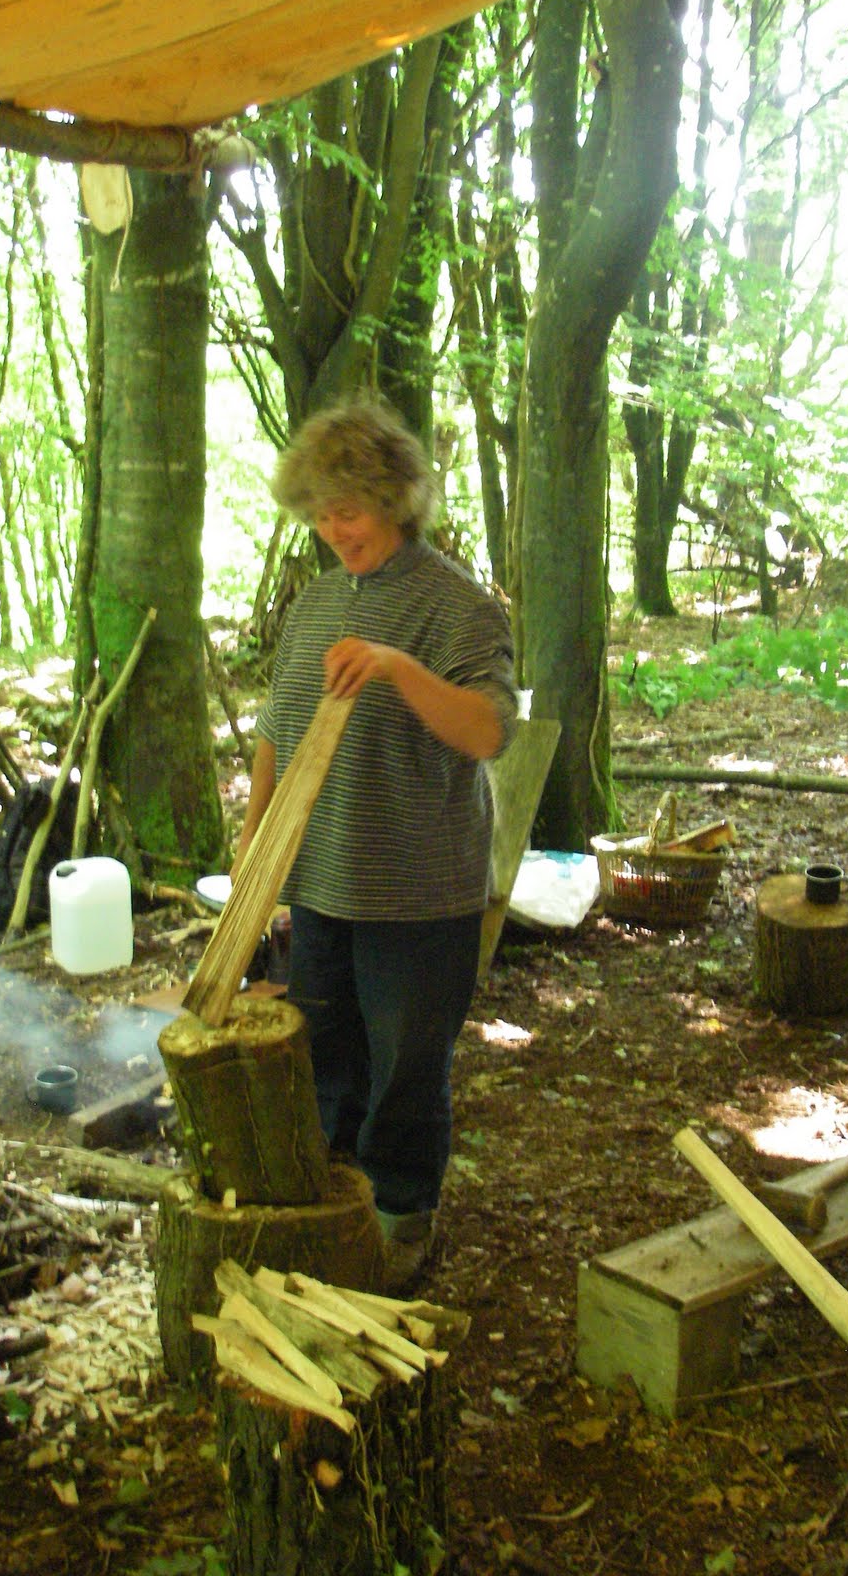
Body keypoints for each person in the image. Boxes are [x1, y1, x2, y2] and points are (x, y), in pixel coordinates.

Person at [232, 394, 517, 1291]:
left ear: (394, 498)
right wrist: (253, 849)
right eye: (317, 514)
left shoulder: (459, 607)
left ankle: (400, 1216)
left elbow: (489, 733)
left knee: (406, 1069)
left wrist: (396, 667)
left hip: (420, 892)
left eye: (345, 510)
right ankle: (336, 1203)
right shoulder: (316, 604)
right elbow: (278, 729)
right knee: (328, 1057)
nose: (331, 529)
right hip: (322, 882)